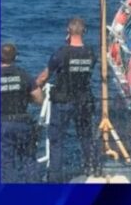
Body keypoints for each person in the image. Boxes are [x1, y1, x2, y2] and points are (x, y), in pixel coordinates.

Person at [36, 17, 98, 182]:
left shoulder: (61, 53)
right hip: (84, 101)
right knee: (86, 136)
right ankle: (92, 167)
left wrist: (35, 88)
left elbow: (44, 76)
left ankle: (55, 175)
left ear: (68, 31)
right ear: (84, 31)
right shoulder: (91, 53)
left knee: (57, 139)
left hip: (63, 102)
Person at [0, 43, 43, 183]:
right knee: (29, 158)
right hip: (22, 122)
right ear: (15, 57)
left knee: (6, 162)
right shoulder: (23, 75)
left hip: (2, 124)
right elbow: (39, 98)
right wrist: (25, 97)